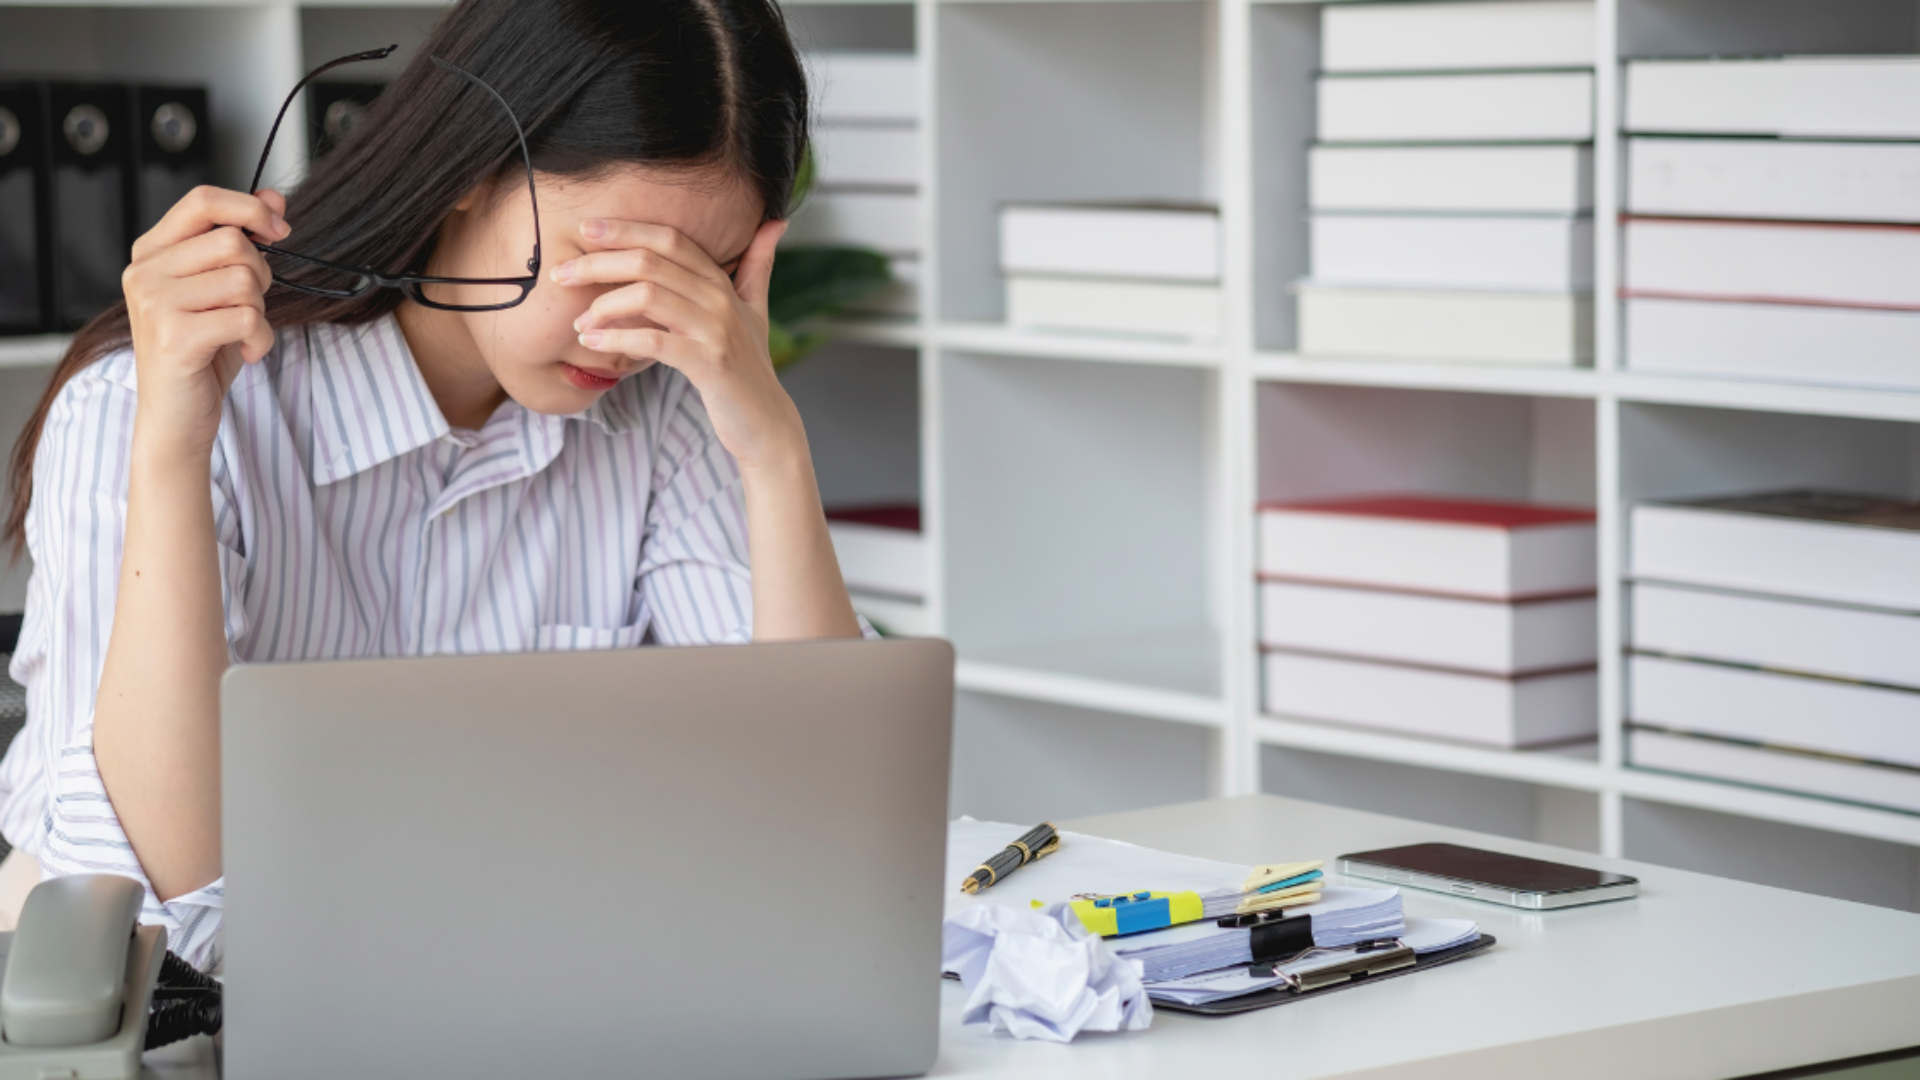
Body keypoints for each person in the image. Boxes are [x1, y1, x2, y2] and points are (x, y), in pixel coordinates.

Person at [0, 0, 863, 970]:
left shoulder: (669, 413)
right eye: (604, 262)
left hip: (531, 992)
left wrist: (773, 447)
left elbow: (823, 837)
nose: (627, 333)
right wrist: (170, 453)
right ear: (470, 172)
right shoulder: (150, 409)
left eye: (691, 281)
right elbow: (161, 908)